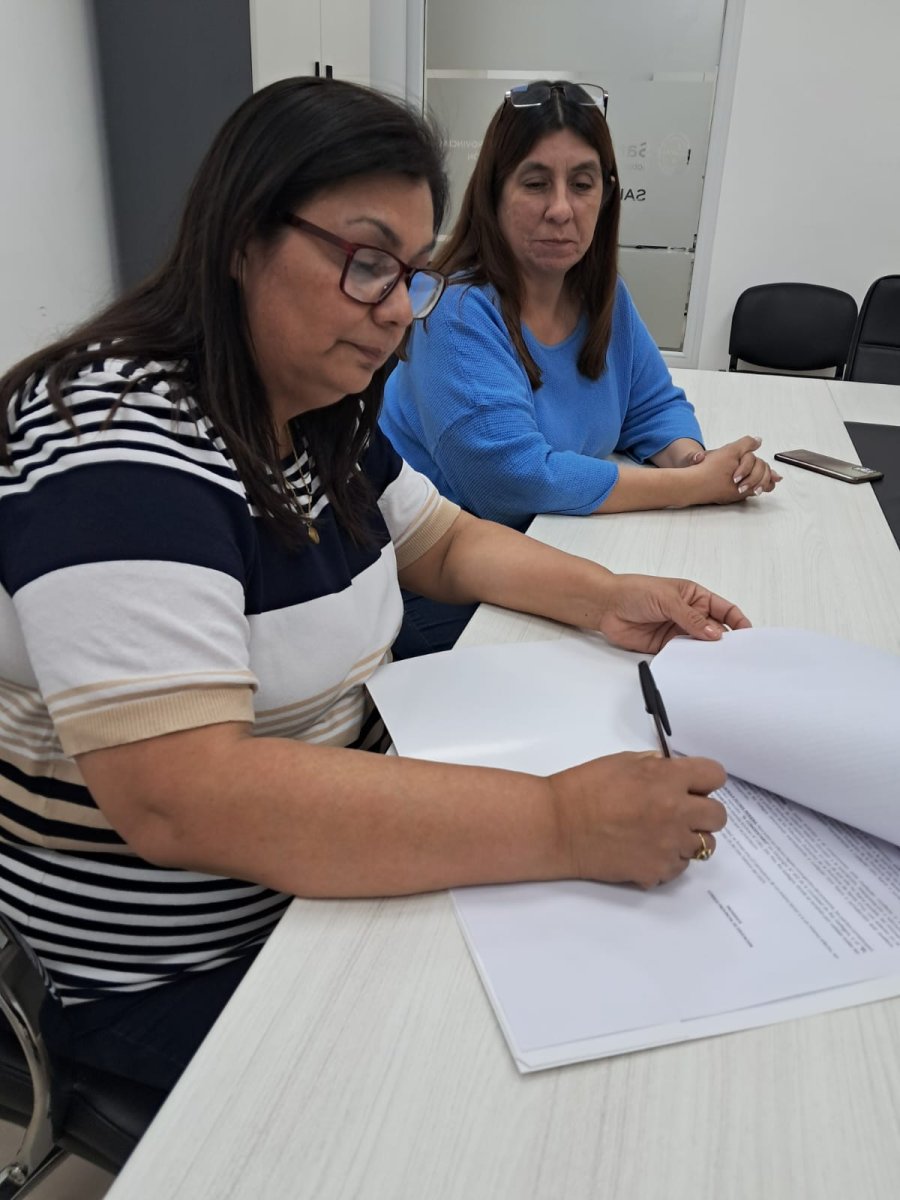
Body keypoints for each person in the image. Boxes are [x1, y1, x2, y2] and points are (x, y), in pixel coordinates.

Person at [0, 76, 741, 1099]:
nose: (396, 311)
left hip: (330, 876)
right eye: (364, 263)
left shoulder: (306, 405)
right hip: (190, 966)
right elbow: (184, 799)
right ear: (240, 237)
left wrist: (608, 595)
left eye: (409, 274)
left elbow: (443, 541)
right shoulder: (117, 444)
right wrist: (561, 824)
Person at [380, 80, 781, 655]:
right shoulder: (454, 311)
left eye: (583, 184)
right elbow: (511, 481)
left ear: (607, 196)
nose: (561, 209)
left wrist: (698, 462)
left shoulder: (604, 296)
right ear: (493, 192)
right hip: (447, 589)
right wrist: (688, 486)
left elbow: (652, 406)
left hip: (562, 547)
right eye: (536, 183)